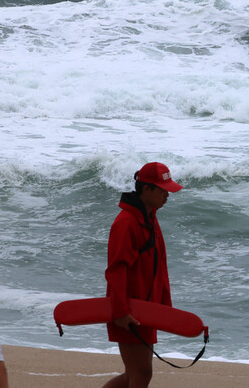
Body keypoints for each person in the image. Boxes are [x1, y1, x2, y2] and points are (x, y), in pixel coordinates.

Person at [103, 162, 182, 388]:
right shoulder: (127, 222)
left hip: (144, 309)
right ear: (146, 189)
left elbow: (159, 267)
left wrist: (163, 308)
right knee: (141, 374)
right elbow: (116, 270)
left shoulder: (149, 217)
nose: (167, 194)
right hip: (129, 312)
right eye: (163, 189)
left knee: (134, 374)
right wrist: (120, 311)